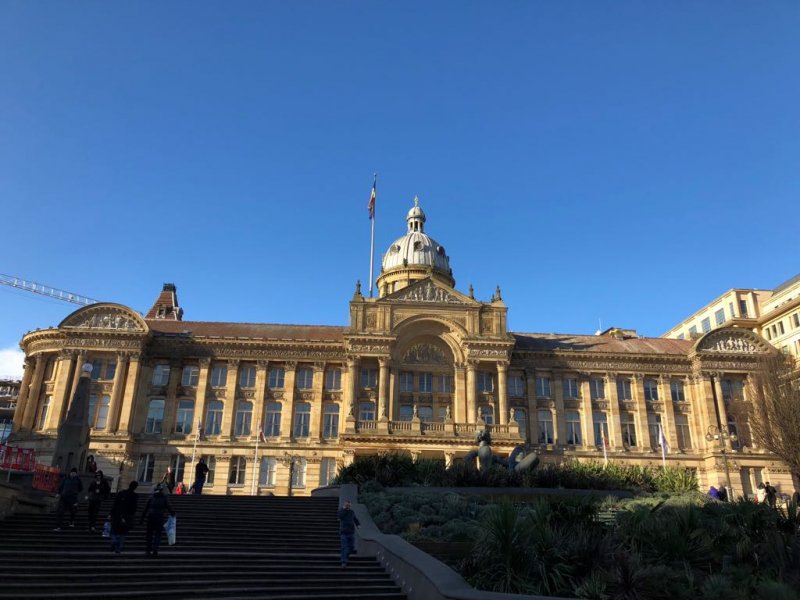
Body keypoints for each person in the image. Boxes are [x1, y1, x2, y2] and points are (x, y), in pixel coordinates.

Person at [140, 484, 176, 557]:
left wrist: (142, 519)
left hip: (151, 517)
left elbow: (145, 509)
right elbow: (169, 507)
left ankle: (148, 550)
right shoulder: (164, 498)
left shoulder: (151, 497)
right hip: (159, 517)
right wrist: (173, 513)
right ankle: (155, 549)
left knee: (149, 534)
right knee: (158, 534)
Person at [109, 481, 138, 554]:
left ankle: (114, 541)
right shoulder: (134, 496)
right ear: (135, 487)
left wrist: (111, 513)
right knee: (123, 533)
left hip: (118, 514)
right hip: (127, 517)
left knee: (113, 531)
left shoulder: (122, 493)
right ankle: (119, 548)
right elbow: (134, 509)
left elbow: (115, 504)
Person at [337, 500, 360, 568]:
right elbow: (340, 516)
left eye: (349, 505)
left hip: (351, 532)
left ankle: (346, 556)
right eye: (347, 505)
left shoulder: (352, 512)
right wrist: (344, 509)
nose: (348, 506)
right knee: (344, 547)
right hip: (344, 532)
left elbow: (355, 519)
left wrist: (358, 524)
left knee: (351, 547)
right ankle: (344, 561)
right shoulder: (342, 511)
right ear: (345, 505)